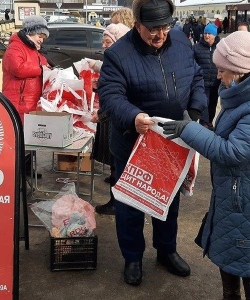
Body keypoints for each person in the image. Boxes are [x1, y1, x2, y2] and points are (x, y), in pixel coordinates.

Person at [98, 0, 207, 286]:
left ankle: (166, 250)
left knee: (168, 200)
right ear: (137, 25)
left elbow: (196, 76)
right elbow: (110, 96)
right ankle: (133, 257)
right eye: (152, 30)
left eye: (164, 27)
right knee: (130, 204)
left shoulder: (181, 42)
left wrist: (194, 110)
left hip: (171, 141)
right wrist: (133, 116)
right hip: (133, 141)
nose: (159, 35)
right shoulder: (119, 55)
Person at [162, 30, 250, 300]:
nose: (219, 77)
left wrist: (189, 131)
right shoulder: (238, 96)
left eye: (222, 70)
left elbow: (234, 151)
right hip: (234, 194)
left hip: (242, 198)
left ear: (239, 70)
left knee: (244, 262)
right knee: (230, 259)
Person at [88, 23, 130, 215]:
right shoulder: (119, 59)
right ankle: (116, 200)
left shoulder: (120, 62)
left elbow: (119, 98)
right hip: (112, 118)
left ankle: (116, 203)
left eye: (107, 42)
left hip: (117, 121)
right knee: (114, 161)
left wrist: (101, 114)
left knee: (117, 161)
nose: (103, 46)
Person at [2, 15, 50, 178]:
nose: (41, 40)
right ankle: (17, 172)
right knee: (18, 139)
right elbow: (18, 68)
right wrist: (41, 68)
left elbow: (45, 65)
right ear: (30, 32)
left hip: (30, 103)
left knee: (29, 138)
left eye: (43, 37)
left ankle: (27, 169)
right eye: (39, 36)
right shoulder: (15, 47)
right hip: (18, 102)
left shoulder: (33, 50)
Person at [194, 23, 220, 129]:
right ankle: (203, 123)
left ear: (214, 35)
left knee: (213, 104)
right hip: (202, 82)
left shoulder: (219, 48)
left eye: (209, 33)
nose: (207, 35)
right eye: (205, 33)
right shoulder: (196, 48)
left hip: (215, 82)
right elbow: (193, 64)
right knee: (204, 102)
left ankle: (209, 122)